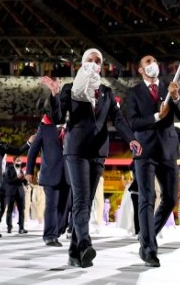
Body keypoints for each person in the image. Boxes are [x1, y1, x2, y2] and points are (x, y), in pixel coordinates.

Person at [40, 48, 142, 268]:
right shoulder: (71, 89)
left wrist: (131, 139)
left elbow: (119, 120)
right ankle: (85, 244)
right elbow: (57, 117)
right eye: (90, 60)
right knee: (80, 200)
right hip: (76, 150)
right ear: (81, 64)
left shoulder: (106, 92)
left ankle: (74, 253)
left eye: (98, 61)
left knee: (86, 201)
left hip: (98, 152)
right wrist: (56, 95)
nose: (94, 64)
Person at [125, 54, 180, 268]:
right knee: (147, 198)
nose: (152, 65)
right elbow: (133, 122)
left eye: (154, 61)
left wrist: (177, 97)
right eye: (147, 62)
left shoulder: (170, 88)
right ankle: (148, 249)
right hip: (145, 151)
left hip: (169, 150)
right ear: (141, 70)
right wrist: (156, 117)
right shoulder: (134, 93)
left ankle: (147, 233)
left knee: (170, 198)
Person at [26, 114, 70, 247]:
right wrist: (29, 171)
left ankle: (57, 230)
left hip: (69, 174)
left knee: (65, 207)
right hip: (50, 173)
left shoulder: (74, 128)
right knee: (51, 205)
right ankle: (49, 236)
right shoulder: (45, 129)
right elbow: (33, 150)